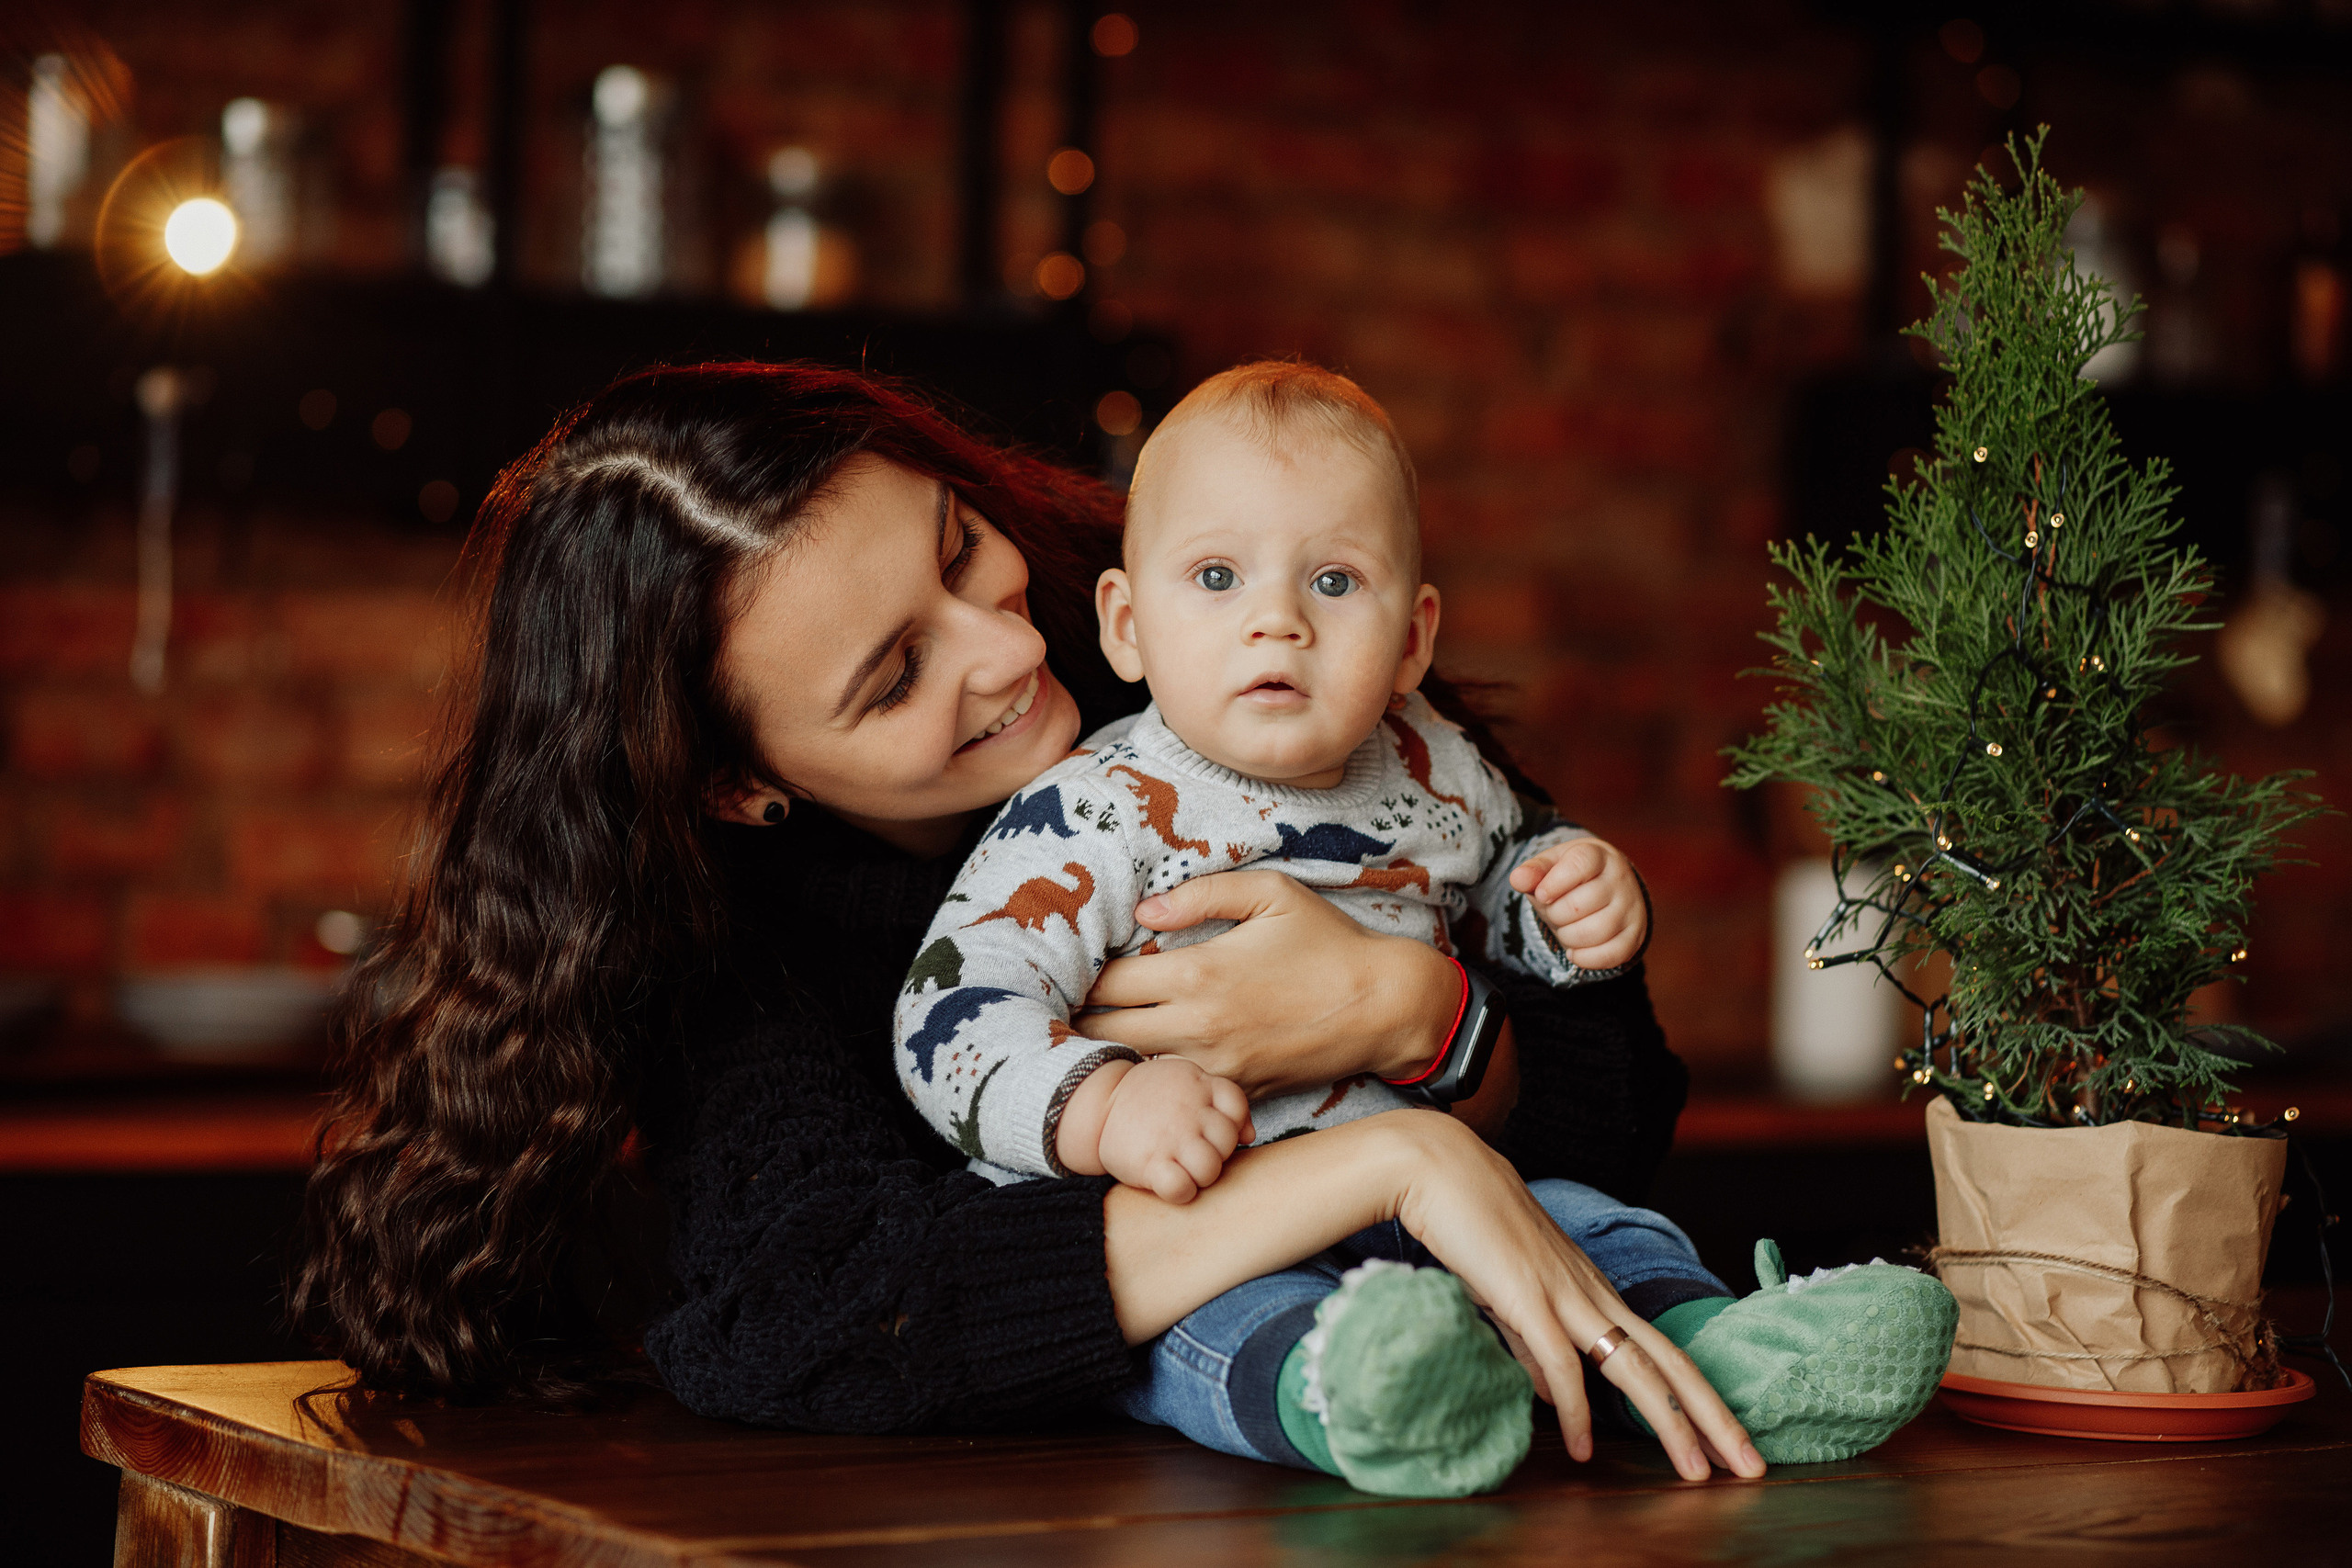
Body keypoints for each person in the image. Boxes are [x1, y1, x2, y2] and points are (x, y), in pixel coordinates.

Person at [294, 359, 1766, 1488]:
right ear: (740, 782)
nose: (1005, 646)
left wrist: (1419, 1016)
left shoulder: (1234, 631)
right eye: (894, 676)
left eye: (959, 549)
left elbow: (1617, 1106)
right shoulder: (740, 955)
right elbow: (813, 1310)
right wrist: (1384, 1160)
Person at [894, 362, 1960, 1495]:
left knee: (1594, 1224)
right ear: (1126, 625)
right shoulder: (1087, 814)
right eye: (1215, 576)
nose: (1276, 620)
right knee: (1220, 1327)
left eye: (1334, 581)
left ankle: (1734, 1350)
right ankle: (1363, 1393)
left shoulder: (1435, 764)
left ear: (1411, 639)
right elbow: (949, 1011)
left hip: (1453, 1200)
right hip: (1215, 1221)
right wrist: (1104, 1106)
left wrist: (1571, 897)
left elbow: (1510, 887)